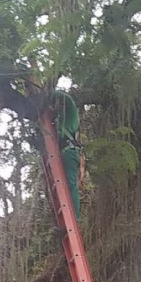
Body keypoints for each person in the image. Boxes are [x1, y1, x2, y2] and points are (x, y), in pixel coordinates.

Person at [54, 90, 84, 218]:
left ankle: (75, 217)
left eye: (58, 103)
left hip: (69, 152)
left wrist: (47, 94)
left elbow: (67, 98)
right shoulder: (59, 119)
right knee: (63, 186)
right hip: (63, 154)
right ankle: (67, 217)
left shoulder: (71, 116)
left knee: (71, 185)